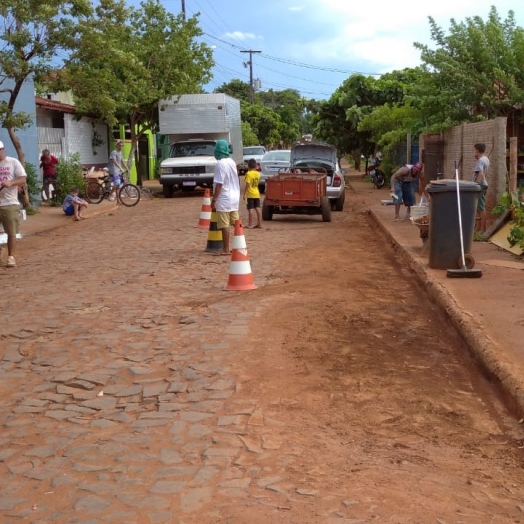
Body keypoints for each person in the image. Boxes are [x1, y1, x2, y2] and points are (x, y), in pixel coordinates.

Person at [0, 141, 28, 268]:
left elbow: (22, 178)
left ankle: (11, 257)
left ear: (3, 149)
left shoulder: (13, 162)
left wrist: (10, 183)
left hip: (9, 203)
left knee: (11, 231)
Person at [211, 140, 240, 255]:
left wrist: (214, 199)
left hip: (224, 197)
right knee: (236, 222)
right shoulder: (232, 162)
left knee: (224, 225)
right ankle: (239, 245)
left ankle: (225, 249)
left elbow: (219, 184)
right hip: (234, 196)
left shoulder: (220, 164)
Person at [472, 142, 490, 234]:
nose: (474, 153)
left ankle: (483, 229)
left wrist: (476, 184)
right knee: (478, 208)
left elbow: (481, 173)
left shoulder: (480, 161)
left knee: (481, 208)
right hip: (483, 185)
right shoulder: (485, 158)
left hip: (481, 186)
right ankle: (478, 228)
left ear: (478, 151)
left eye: (475, 151)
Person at [243, 158, 262, 229]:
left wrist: (244, 194)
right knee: (257, 208)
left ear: (248, 166)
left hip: (250, 194)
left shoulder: (248, 174)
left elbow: (247, 185)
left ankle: (250, 224)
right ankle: (259, 223)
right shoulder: (258, 173)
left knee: (250, 209)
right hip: (256, 193)